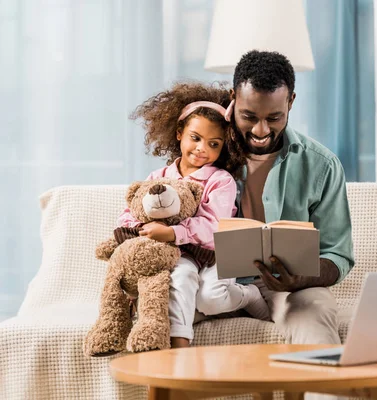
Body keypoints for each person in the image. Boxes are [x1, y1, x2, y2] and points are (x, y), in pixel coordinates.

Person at [118, 81, 270, 349]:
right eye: (196, 138)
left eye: (214, 143)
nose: (202, 149)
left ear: (224, 146)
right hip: (179, 256)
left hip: (213, 255)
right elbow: (133, 210)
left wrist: (173, 232)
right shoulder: (159, 177)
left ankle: (248, 295)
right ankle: (180, 346)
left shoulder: (220, 180)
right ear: (179, 134)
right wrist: (137, 228)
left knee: (209, 299)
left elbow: (215, 226)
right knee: (181, 277)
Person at [227, 50, 355, 344]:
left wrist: (302, 279)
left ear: (291, 102)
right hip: (214, 284)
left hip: (291, 289)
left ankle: (325, 389)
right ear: (232, 97)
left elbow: (338, 253)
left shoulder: (321, 164)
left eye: (274, 117)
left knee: (316, 314)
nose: (261, 130)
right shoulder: (204, 150)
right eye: (249, 116)